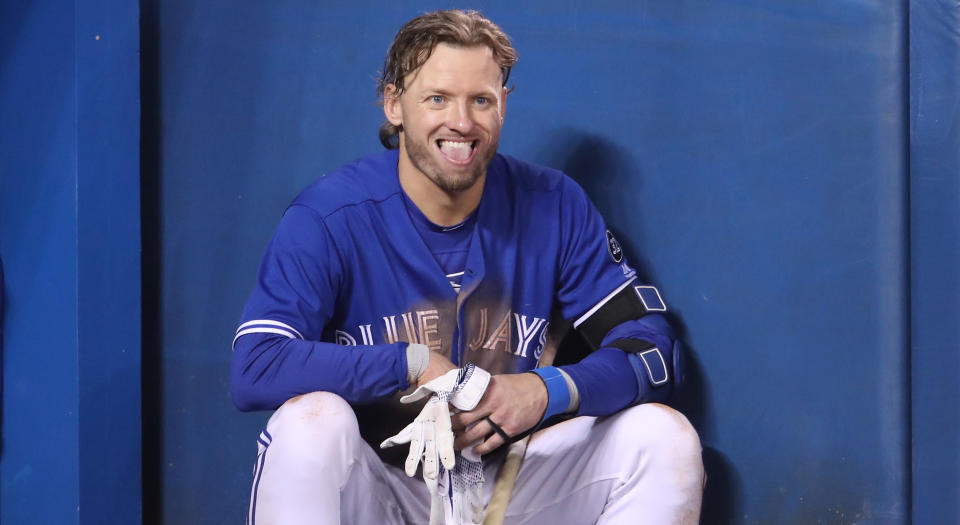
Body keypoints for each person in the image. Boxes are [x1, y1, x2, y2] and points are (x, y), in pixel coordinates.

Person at [231, 9, 704, 525]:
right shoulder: (328, 217)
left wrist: (548, 390)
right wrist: (409, 363)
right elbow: (257, 366)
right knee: (309, 425)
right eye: (437, 98)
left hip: (515, 486)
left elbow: (655, 355)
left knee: (663, 437)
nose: (462, 121)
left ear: (503, 106)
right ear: (395, 105)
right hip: (385, 489)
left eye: (481, 99)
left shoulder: (554, 205)